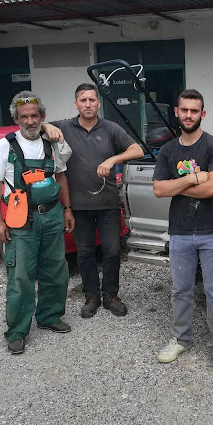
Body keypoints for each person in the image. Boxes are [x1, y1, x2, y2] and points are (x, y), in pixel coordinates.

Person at [153, 89, 213, 377]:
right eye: (184, 110)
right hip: (180, 231)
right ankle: (180, 339)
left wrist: (176, 185)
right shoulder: (167, 151)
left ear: (203, 114)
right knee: (180, 291)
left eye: (194, 110)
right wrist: (192, 178)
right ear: (176, 112)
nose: (189, 115)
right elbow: (158, 189)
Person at [43, 84, 143, 319]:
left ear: (98, 103)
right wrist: (46, 126)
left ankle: (111, 295)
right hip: (78, 206)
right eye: (83, 100)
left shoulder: (110, 128)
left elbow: (137, 150)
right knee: (85, 252)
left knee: (111, 250)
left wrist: (113, 159)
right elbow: (32, 126)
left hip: (108, 204)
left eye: (91, 100)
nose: (88, 104)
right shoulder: (64, 127)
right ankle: (91, 296)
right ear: (76, 104)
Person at [0, 91, 74, 354]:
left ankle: (49, 316)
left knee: (55, 269)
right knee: (21, 276)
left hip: (51, 215)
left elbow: (61, 176)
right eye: (24, 116)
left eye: (34, 115)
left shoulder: (51, 143)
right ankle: (17, 331)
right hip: (20, 220)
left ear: (42, 117)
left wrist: (67, 209)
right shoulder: (5, 146)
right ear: (16, 119)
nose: (30, 121)